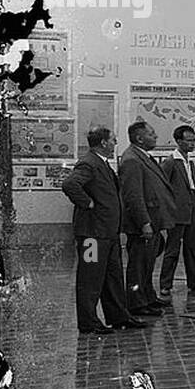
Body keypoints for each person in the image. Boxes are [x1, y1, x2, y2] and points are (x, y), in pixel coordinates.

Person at [60, 127, 143, 334]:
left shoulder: (101, 163)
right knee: (90, 279)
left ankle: (119, 317)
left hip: (108, 233)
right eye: (113, 140)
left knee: (113, 278)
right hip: (92, 236)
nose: (116, 143)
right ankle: (88, 322)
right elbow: (70, 184)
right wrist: (87, 203)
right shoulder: (89, 163)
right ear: (104, 143)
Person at [117, 121, 178, 318]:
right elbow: (133, 196)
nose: (156, 137)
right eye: (151, 134)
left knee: (147, 264)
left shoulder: (143, 157)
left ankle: (148, 297)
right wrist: (144, 222)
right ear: (140, 138)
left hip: (153, 221)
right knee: (138, 266)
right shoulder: (131, 160)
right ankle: (135, 302)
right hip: (143, 224)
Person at [159, 125, 195, 298]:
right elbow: (163, 188)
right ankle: (165, 284)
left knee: (192, 249)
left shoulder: (189, 161)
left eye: (193, 140)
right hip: (177, 213)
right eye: (188, 140)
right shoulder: (171, 162)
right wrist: (167, 212)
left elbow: (193, 188)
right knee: (172, 249)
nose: (192, 143)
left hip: (192, 211)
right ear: (179, 141)